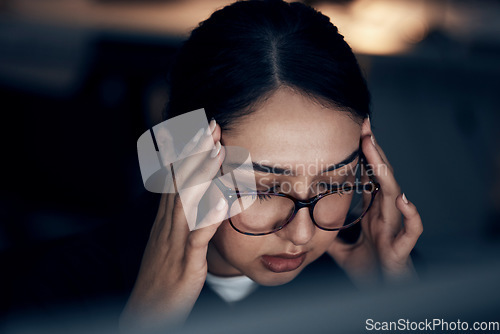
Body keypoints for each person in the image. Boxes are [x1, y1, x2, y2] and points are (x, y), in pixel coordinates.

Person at [119, 0, 423, 332]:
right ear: (181, 153)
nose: (303, 233)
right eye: (264, 190)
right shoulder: (68, 291)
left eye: (335, 184)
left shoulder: (394, 272)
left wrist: (394, 302)